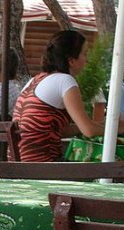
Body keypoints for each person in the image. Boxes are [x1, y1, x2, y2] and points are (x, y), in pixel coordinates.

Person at [13, 30, 109, 162]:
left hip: (16, 164)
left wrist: (91, 126)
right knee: (105, 168)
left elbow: (59, 130)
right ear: (71, 60)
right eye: (84, 54)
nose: (87, 60)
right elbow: (89, 131)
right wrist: (116, 129)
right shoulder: (65, 81)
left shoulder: (35, 80)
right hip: (42, 166)